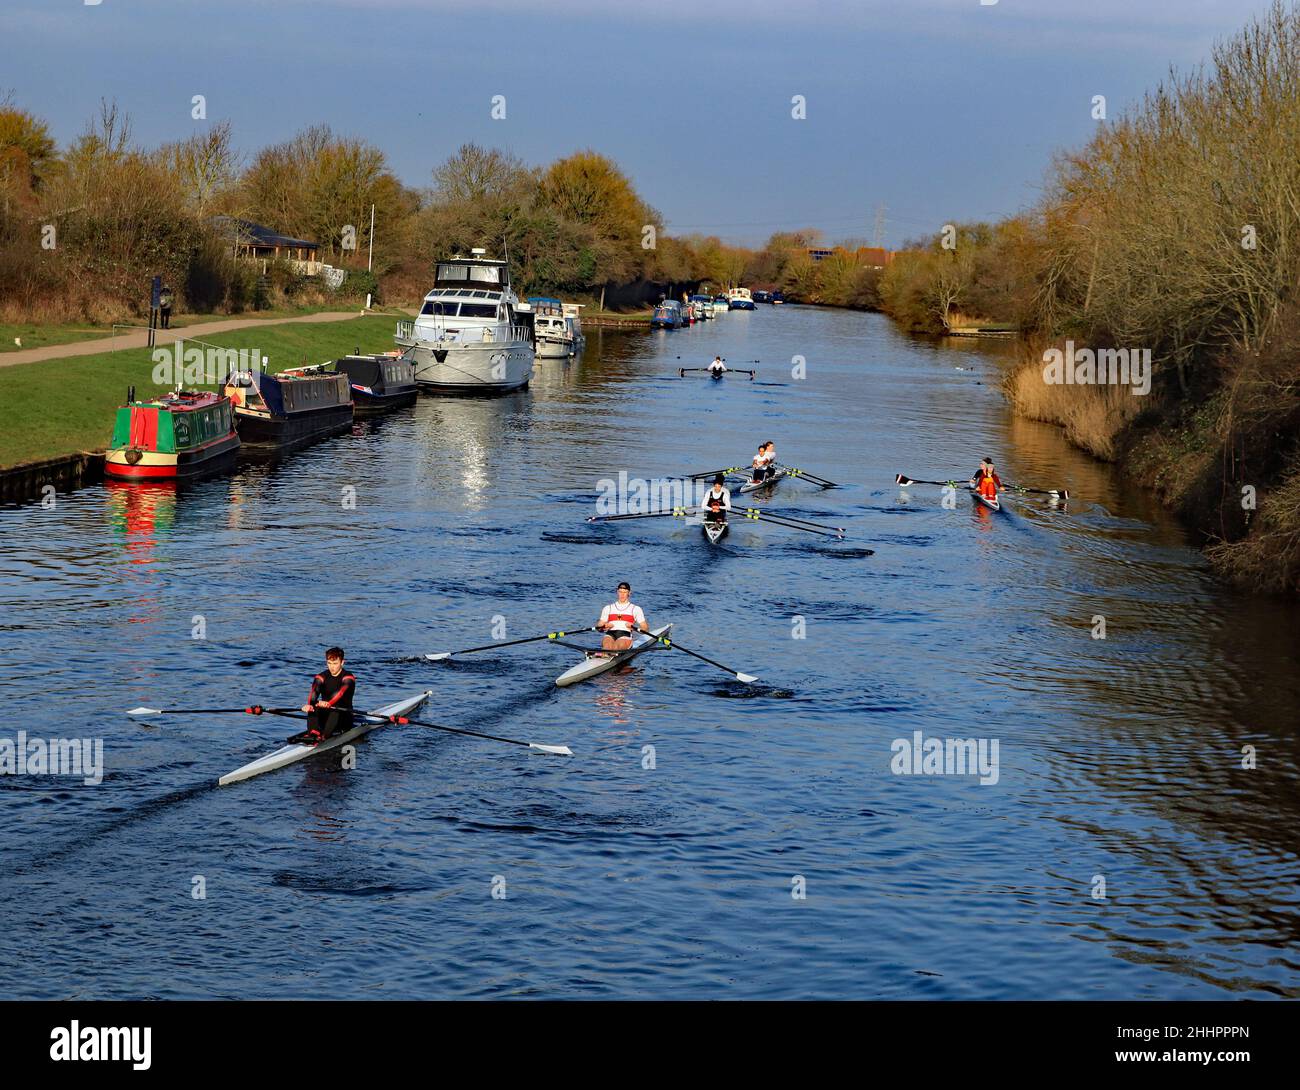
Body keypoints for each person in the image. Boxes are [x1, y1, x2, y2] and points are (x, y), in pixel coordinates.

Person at [290, 647, 356, 744]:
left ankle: (324, 737)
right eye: (329, 663)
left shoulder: (348, 678)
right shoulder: (321, 677)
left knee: (335, 709)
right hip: (327, 717)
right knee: (314, 706)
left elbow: (340, 693)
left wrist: (329, 703)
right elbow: (314, 692)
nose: (332, 667)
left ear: (342, 662)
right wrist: (310, 705)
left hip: (344, 717)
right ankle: (313, 734)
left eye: (335, 663)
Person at [596, 582, 649, 654]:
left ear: (629, 593)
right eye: (620, 592)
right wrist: (603, 627)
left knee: (616, 647)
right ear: (617, 592)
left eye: (625, 592)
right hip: (610, 634)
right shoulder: (608, 608)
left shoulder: (636, 609)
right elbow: (598, 627)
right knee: (606, 646)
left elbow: (645, 628)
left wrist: (633, 627)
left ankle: (607, 655)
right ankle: (602, 655)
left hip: (625, 635)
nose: (622, 595)